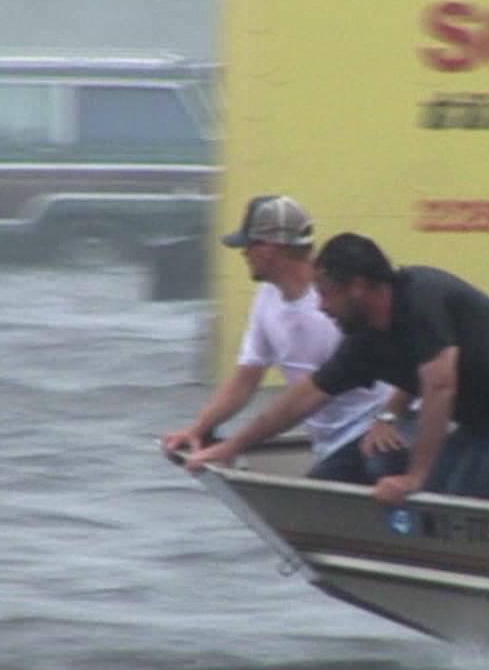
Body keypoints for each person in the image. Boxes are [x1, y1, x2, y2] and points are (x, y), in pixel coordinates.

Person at [185, 231, 489, 507]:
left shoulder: (421, 296)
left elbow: (440, 387)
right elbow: (303, 399)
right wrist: (232, 446)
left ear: (360, 286)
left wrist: (414, 477)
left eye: (327, 293)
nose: (321, 306)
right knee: (442, 494)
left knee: (472, 500)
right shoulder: (365, 341)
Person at [162, 197, 411, 483]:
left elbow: (313, 395)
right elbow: (246, 378)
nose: (243, 253)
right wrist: (198, 429)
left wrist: (234, 446)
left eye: (248, 245)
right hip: (329, 441)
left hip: (379, 426)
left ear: (269, 249)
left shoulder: (338, 301)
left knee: (333, 490)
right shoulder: (266, 298)